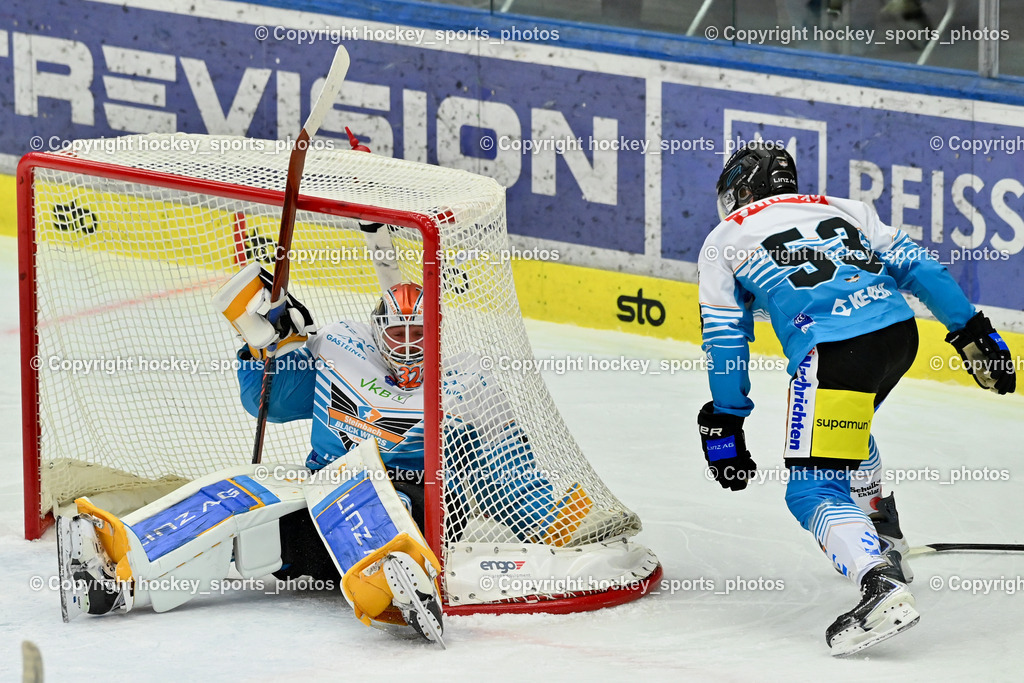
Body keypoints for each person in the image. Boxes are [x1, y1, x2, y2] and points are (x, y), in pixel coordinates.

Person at [55, 272, 597, 644]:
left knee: (365, 512)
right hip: (321, 494)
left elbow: (505, 467)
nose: (407, 344)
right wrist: (267, 346)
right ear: (376, 329)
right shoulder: (339, 347)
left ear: (436, 333)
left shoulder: (469, 380)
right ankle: (116, 569)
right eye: (397, 331)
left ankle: (399, 586)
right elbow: (269, 401)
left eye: (418, 332)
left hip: (416, 505)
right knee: (235, 501)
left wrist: (549, 515)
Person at [696, 142, 1015, 656]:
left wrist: (726, 419)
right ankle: (884, 537)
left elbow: (725, 339)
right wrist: (970, 331)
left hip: (834, 350)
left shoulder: (723, 238)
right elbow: (922, 269)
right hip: (896, 334)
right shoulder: (841, 207)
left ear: (739, 191)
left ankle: (880, 584)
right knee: (848, 428)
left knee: (811, 490)